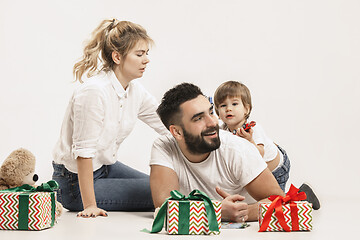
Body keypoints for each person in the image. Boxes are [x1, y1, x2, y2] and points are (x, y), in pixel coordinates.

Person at [52, 19, 168, 218]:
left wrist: (212, 133)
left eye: (146, 54)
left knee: (165, 187)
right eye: (139, 54)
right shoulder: (94, 92)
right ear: (117, 57)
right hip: (73, 184)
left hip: (106, 167)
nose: (146, 60)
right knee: (162, 194)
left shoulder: (135, 90)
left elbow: (166, 124)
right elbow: (84, 153)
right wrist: (90, 205)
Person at [150, 83, 285, 222]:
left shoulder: (237, 149)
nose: (212, 122)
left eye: (211, 112)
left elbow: (281, 202)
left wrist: (239, 213)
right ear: (176, 132)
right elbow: (165, 208)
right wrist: (218, 211)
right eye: (198, 118)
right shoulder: (164, 147)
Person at [213, 80, 320, 210]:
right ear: (218, 113)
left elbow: (259, 153)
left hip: (277, 168)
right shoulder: (223, 129)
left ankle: (304, 196)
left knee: (279, 204)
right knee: (265, 200)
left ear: (246, 109)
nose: (228, 108)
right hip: (261, 169)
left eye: (234, 104)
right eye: (223, 106)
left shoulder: (252, 128)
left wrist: (250, 142)